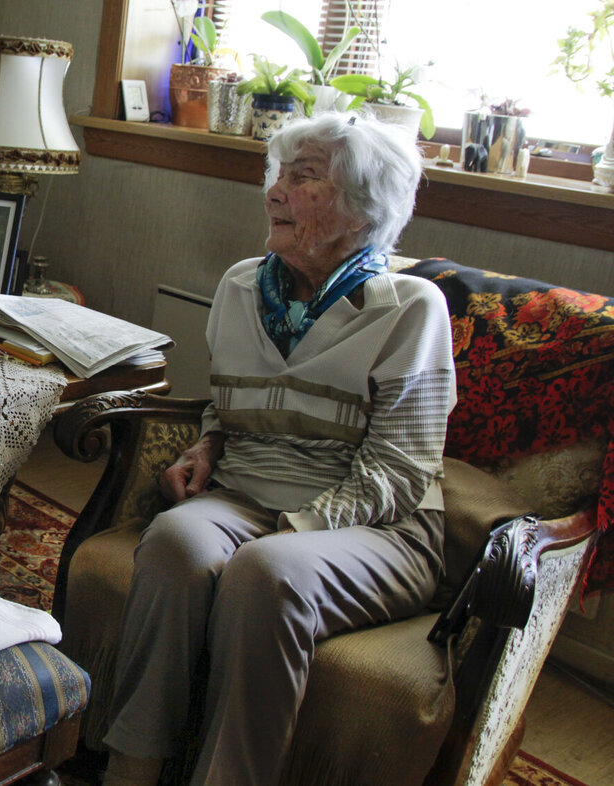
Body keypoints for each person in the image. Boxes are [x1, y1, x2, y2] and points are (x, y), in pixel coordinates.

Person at [100, 114, 456, 786]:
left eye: (304, 176)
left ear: (361, 204)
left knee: (267, 572)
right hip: (247, 494)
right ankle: (131, 768)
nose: (274, 192)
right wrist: (206, 445)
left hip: (377, 529)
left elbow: (400, 473)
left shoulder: (412, 308)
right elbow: (228, 403)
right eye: (278, 175)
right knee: (176, 542)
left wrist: (294, 529)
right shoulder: (241, 287)